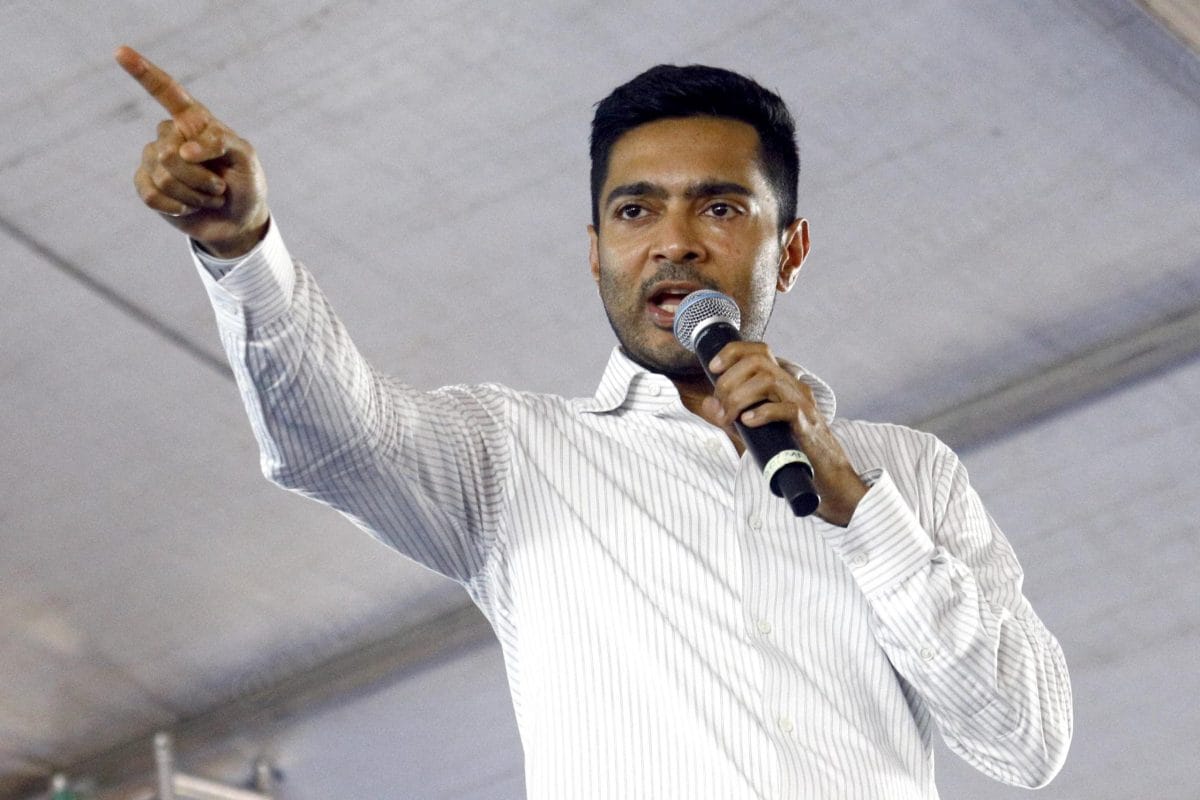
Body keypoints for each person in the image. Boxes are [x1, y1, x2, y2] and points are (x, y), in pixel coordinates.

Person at [116, 45, 1072, 799]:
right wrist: (241, 250)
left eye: (723, 208)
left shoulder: (910, 473)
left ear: (792, 250)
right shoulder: (515, 456)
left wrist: (862, 510)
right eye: (634, 209)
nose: (674, 242)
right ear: (597, 250)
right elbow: (333, 440)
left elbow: (1027, 743)